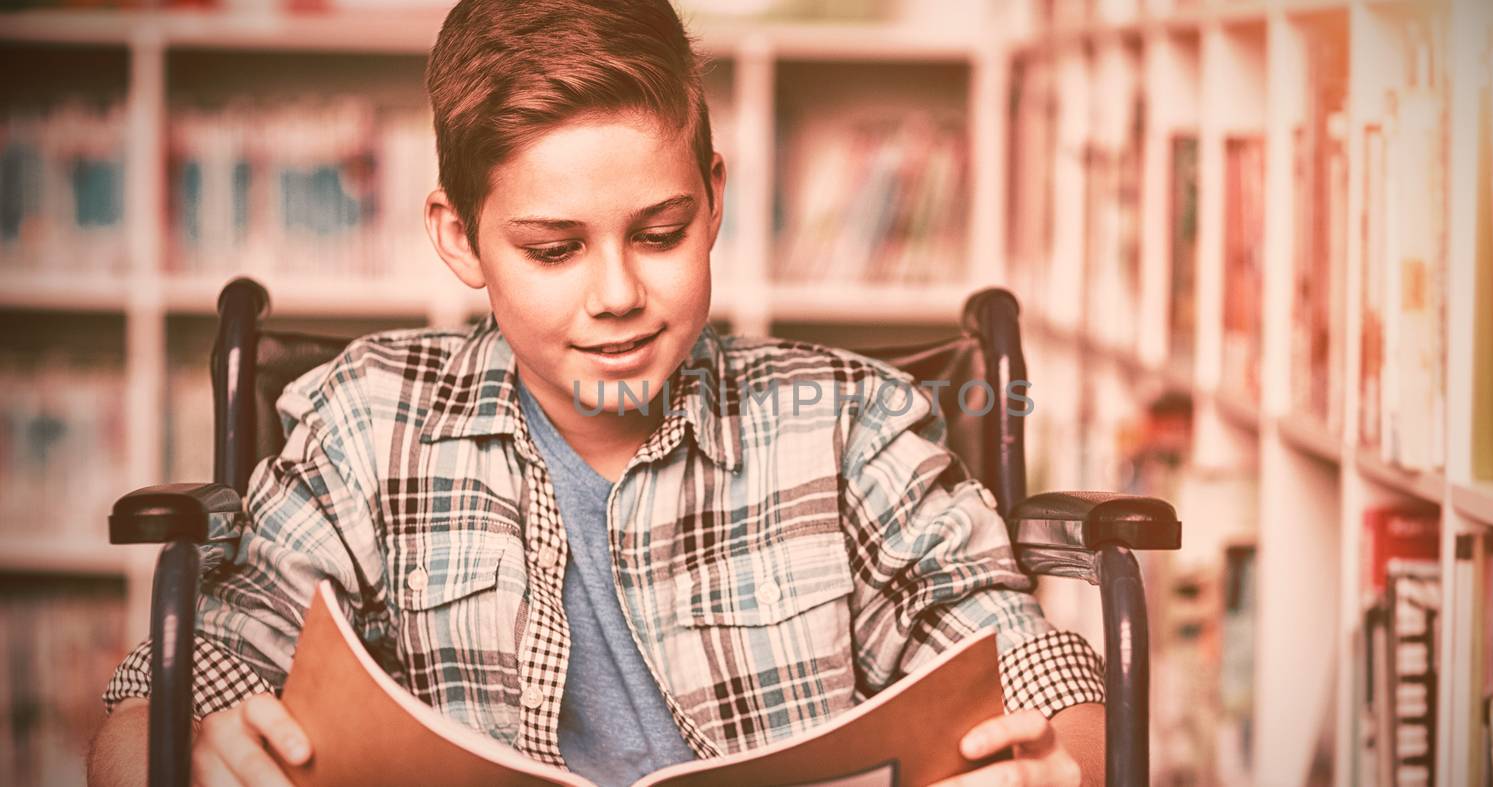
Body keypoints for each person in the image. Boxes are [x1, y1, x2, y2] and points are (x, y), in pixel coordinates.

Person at [87, 1, 1106, 784]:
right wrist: (186, 754)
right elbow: (163, 703)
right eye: (554, 248)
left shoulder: (847, 426)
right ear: (458, 238)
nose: (617, 295)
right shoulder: (366, 424)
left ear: (714, 199)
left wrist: (1057, 757)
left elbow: (1043, 676)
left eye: (660, 233)